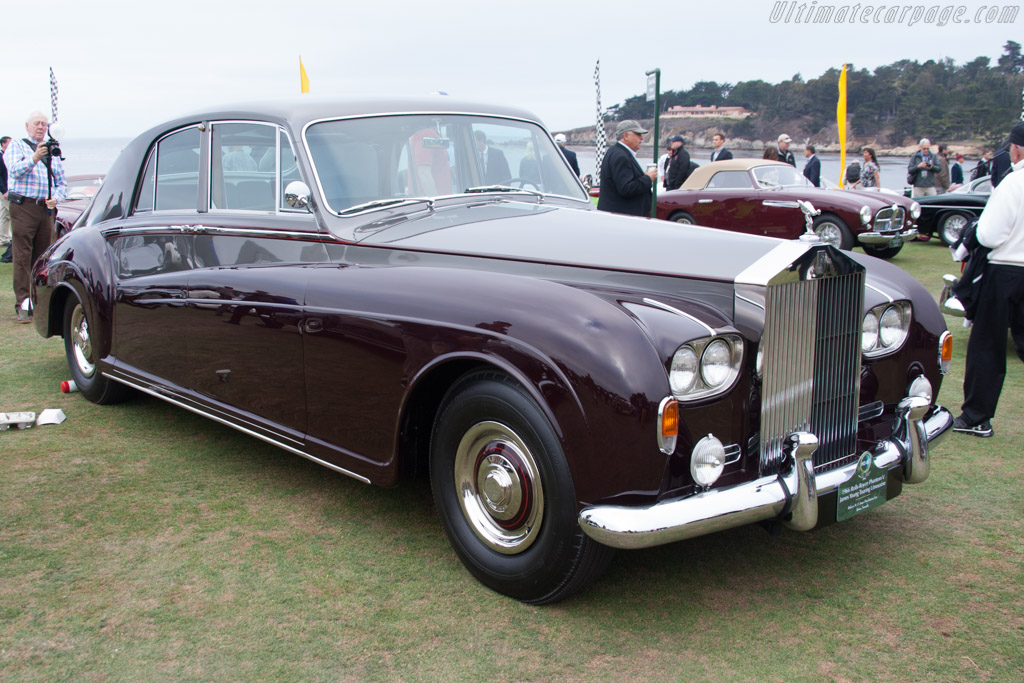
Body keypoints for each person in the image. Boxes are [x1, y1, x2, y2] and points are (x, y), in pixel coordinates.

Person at [954, 122, 1024, 438]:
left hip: (1006, 269)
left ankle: (976, 417)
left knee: (988, 346)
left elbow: (990, 234)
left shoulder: (1013, 183)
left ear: (1016, 149)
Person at [4, 111, 67, 323]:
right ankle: (22, 302)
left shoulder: (52, 150)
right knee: (22, 256)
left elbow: (62, 182)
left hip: (45, 209)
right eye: (36, 123)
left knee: (42, 258)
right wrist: (34, 158)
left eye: (43, 124)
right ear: (27, 126)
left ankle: (38, 301)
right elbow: (13, 171)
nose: (40, 127)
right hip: (23, 206)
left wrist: (56, 198)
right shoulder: (17, 146)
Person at [596, 120, 658, 217]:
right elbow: (626, 188)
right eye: (638, 134)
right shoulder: (621, 156)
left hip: (618, 215)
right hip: (623, 216)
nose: (641, 138)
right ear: (626, 136)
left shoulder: (616, 152)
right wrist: (648, 178)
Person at [1, 136, 11, 249]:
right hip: (4, 189)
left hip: (7, 188)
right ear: (3, 144)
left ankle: (3, 237)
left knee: (4, 215)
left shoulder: (7, 156)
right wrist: (4, 190)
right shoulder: (1, 156)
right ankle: (4, 238)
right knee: (12, 212)